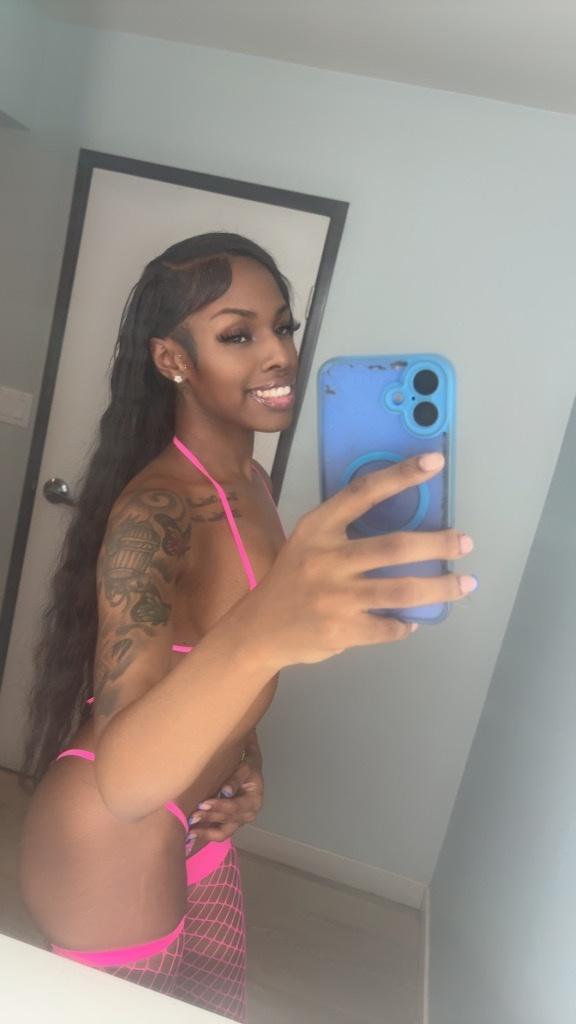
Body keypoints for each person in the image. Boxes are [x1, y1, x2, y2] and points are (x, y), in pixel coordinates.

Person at [19, 233, 476, 1021]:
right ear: (173, 359)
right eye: (239, 335)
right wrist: (264, 630)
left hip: (199, 813)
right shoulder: (156, 511)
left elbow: (213, 664)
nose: (279, 354)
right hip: (111, 830)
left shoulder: (254, 482)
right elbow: (123, 780)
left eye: (283, 327)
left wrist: (245, 757)